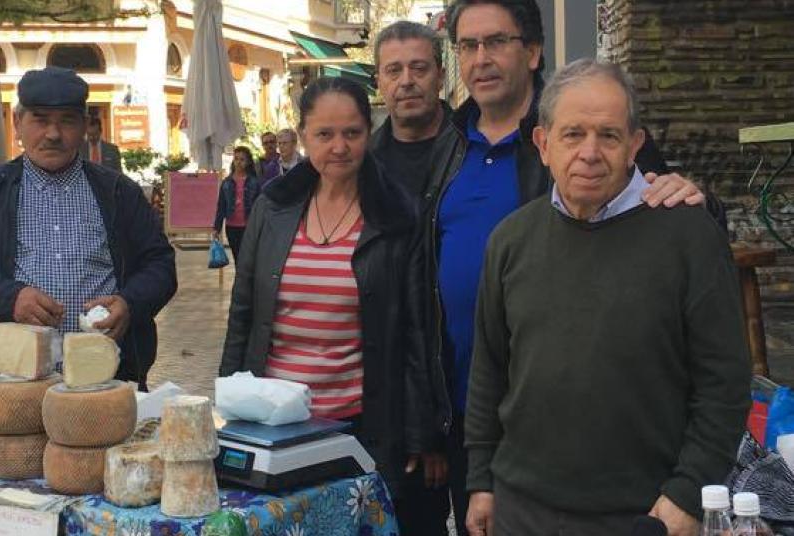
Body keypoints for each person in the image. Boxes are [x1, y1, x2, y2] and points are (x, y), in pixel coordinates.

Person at [369, 13, 706, 535]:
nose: (481, 58)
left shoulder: (584, 117)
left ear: (532, 51)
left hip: (595, 430)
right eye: (468, 45)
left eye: (496, 41)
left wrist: (694, 195)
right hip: (472, 413)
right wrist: (432, 420)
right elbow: (419, 285)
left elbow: (668, 208)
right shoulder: (448, 145)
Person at [464, 58, 750, 536]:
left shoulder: (689, 237)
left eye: (609, 136)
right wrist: (481, 481)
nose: (590, 152)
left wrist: (688, 492)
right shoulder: (510, 240)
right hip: (520, 508)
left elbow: (724, 383)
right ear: (543, 144)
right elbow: (489, 370)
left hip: (645, 514)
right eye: (573, 134)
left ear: (634, 145)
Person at [218, 76, 436, 520]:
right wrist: (226, 406)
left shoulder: (397, 215)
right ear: (303, 136)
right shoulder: (273, 208)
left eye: (352, 133)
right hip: (274, 425)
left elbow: (417, 329)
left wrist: (419, 431)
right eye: (324, 134)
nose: (339, 146)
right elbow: (243, 313)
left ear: (369, 133)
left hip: (356, 425)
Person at [0, 66, 177, 391]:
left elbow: (160, 264)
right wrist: (9, 297)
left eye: (67, 121)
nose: (53, 134)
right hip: (11, 382)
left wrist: (130, 303)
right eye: (40, 120)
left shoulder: (118, 192)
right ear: (18, 122)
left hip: (108, 381)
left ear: (85, 126)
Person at [212, 146, 262, 262]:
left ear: (248, 162)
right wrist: (217, 228)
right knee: (237, 258)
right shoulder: (227, 182)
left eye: (242, 159)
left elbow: (259, 206)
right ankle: (239, 274)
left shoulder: (254, 182)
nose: (239, 162)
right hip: (232, 227)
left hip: (249, 226)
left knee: (248, 258)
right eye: (236, 159)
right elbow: (221, 206)